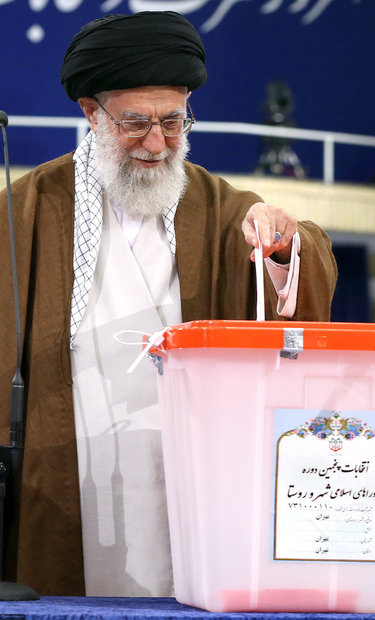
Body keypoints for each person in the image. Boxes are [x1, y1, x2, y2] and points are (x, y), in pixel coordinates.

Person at [0, 11, 337, 597]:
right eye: (135, 123)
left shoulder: (220, 204)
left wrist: (283, 248)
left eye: (173, 122)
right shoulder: (28, 205)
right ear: (91, 113)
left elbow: (297, 267)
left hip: (191, 465)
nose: (156, 143)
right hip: (69, 464)